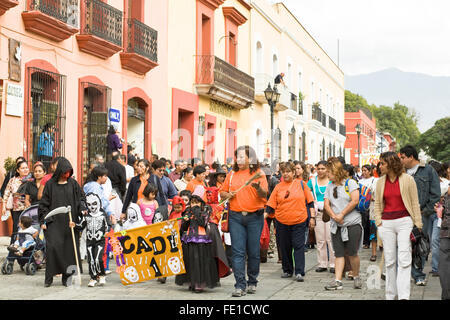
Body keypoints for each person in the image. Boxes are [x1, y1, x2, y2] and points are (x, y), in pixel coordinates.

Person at [219, 145, 268, 297]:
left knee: (253, 251)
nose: (239, 160)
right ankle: (240, 285)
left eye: (242, 157)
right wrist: (228, 195)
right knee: (237, 252)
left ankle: (252, 281)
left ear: (250, 158)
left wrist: (257, 188)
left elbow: (264, 194)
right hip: (236, 217)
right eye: (237, 157)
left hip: (255, 217)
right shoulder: (232, 174)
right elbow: (222, 192)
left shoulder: (259, 174)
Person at [374, 152, 423, 300]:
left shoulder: (408, 180)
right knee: (389, 260)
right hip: (386, 223)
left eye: (382, 163)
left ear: (390, 163)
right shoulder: (380, 182)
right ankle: (390, 295)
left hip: (404, 222)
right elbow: (377, 204)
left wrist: (418, 224)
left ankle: (403, 296)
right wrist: (379, 223)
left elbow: (415, 202)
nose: (380, 166)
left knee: (404, 258)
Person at [38, 157, 87, 287]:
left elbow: (82, 198)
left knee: (69, 250)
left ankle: (67, 277)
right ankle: (49, 277)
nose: (67, 175)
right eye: (65, 172)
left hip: (70, 223)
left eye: (69, 173)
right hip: (54, 223)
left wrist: (83, 208)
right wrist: (44, 219)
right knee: (53, 248)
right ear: (60, 171)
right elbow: (43, 204)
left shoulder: (73, 184)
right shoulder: (50, 185)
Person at [266, 162, 315, 282]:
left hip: (299, 220)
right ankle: (287, 270)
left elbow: (310, 202)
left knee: (298, 246)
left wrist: (312, 218)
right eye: (283, 171)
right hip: (282, 221)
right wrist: (262, 217)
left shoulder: (302, 184)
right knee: (285, 246)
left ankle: (299, 271)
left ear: (294, 173)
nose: (285, 174)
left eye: (288, 171)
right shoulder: (278, 187)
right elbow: (271, 205)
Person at [399, 144, 441, 286]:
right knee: (402, 244)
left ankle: (418, 274)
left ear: (411, 157)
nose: (401, 160)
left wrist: (425, 211)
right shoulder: (400, 172)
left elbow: (435, 194)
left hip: (422, 214)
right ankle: (405, 272)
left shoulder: (428, 171)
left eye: (403, 157)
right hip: (402, 214)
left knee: (419, 245)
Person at [323, 157, 362, 291]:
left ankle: (356, 276)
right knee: (338, 253)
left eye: (328, 172)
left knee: (352, 253)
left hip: (352, 224)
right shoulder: (330, 186)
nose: (326, 175)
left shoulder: (350, 183)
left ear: (336, 171)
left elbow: (355, 200)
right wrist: (334, 216)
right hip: (336, 225)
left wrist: (342, 214)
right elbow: (326, 204)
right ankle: (338, 281)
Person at [175, 195, 219, 293]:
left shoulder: (205, 211)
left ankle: (200, 284)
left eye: (197, 202)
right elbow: (183, 228)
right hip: (189, 239)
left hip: (201, 239)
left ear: (201, 203)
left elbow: (202, 223)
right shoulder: (187, 212)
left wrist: (196, 212)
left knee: (200, 261)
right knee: (190, 261)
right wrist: (186, 221)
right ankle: (192, 282)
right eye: (192, 202)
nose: (194, 205)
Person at [308, 160, 335, 273]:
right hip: (318, 213)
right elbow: (308, 196)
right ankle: (322, 263)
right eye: (318, 169)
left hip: (330, 213)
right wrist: (312, 216)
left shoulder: (331, 181)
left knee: (330, 239)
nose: (320, 171)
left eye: (323, 168)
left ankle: (333, 264)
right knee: (320, 240)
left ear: (327, 169)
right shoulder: (313, 182)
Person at [78, 192, 111, 287]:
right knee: (91, 260)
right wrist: (74, 225)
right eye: (89, 205)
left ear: (98, 203)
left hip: (100, 240)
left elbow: (107, 225)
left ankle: (101, 275)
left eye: (94, 204)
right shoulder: (87, 216)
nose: (92, 207)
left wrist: (106, 232)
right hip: (89, 241)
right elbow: (81, 226)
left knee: (98, 259)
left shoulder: (103, 215)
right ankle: (93, 277)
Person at [1, 160, 31, 241]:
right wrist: (4, 207)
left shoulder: (31, 180)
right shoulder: (13, 180)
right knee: (16, 227)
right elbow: (6, 193)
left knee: (28, 229)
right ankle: (14, 246)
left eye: (26, 168)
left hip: (29, 208)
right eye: (23, 168)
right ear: (18, 170)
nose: (25, 169)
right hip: (16, 208)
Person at [359, 164, 377, 251]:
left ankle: (371, 241)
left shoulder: (374, 180)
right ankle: (365, 242)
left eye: (365, 170)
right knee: (364, 224)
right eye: (362, 170)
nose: (363, 172)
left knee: (371, 225)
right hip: (363, 206)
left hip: (372, 206)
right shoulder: (360, 181)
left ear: (370, 171)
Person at [437, 187, 450, 299]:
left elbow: (440, 212)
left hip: (446, 232)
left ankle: (446, 295)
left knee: (444, 264)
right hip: (445, 232)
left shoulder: (446, 196)